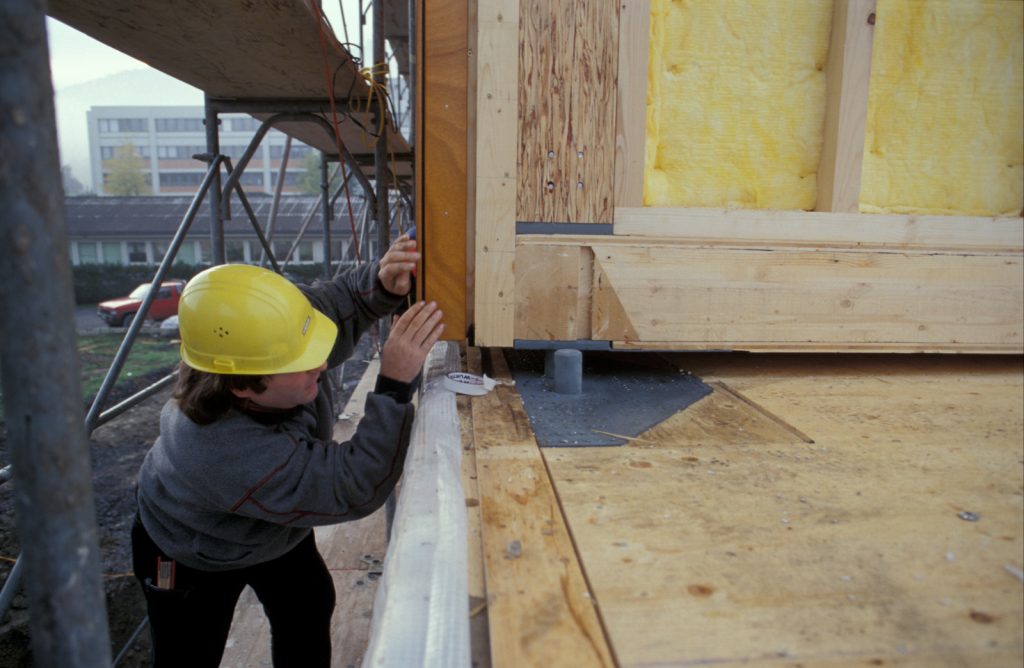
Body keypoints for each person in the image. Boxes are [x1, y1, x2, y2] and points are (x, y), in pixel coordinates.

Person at [130, 234, 443, 667]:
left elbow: (337, 300)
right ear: (242, 386)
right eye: (303, 362)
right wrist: (392, 386)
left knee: (308, 607)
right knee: (189, 653)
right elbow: (351, 484)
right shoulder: (227, 453)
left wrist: (382, 283)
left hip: (271, 534)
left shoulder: (263, 336)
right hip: (193, 550)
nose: (322, 362)